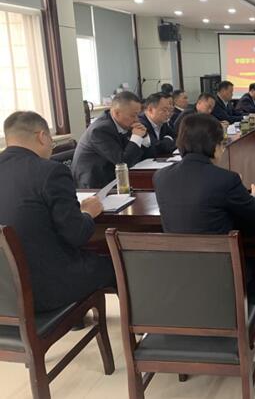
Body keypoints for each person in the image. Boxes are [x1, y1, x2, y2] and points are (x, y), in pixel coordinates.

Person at [0, 112, 115, 313]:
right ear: (42, 136)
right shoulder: (50, 171)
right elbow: (77, 235)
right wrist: (87, 213)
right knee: (118, 264)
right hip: (44, 290)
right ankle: (140, 326)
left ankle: (79, 320)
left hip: (4, 293)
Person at [153, 113, 255, 294]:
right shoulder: (226, 179)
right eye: (222, 145)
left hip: (177, 271)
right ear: (215, 146)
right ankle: (254, 308)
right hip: (219, 274)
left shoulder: (160, 177)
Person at [72, 91, 150, 188]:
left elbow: (146, 155)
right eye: (133, 115)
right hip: (94, 185)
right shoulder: (100, 130)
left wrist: (144, 136)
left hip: (113, 178)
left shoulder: (124, 124)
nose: (137, 119)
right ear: (116, 113)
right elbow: (123, 162)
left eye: (138, 115)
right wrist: (137, 137)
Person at [139, 92, 176, 157]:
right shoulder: (141, 124)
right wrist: (168, 139)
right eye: (164, 110)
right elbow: (155, 149)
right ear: (150, 109)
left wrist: (167, 141)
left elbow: (177, 139)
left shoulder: (163, 122)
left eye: (169, 110)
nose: (168, 114)